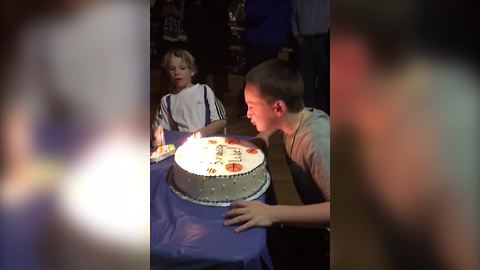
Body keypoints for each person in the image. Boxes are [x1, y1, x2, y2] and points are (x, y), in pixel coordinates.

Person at [223, 59, 330, 269]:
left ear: (278, 107)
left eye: (252, 106)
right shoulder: (297, 117)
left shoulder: (317, 140)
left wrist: (272, 213)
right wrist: (264, 136)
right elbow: (279, 120)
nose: (247, 114)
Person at [152, 49, 227, 139]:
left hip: (207, 142)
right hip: (182, 145)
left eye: (182, 68)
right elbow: (159, 131)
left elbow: (221, 122)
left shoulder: (204, 91)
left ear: (192, 71)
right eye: (172, 69)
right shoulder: (167, 100)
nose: (177, 72)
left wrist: (197, 135)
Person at [291, 0, 330, 113]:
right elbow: (293, 15)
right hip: (304, 42)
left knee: (324, 81)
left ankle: (324, 115)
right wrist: (296, 35)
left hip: (324, 42)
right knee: (305, 80)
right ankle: (309, 114)